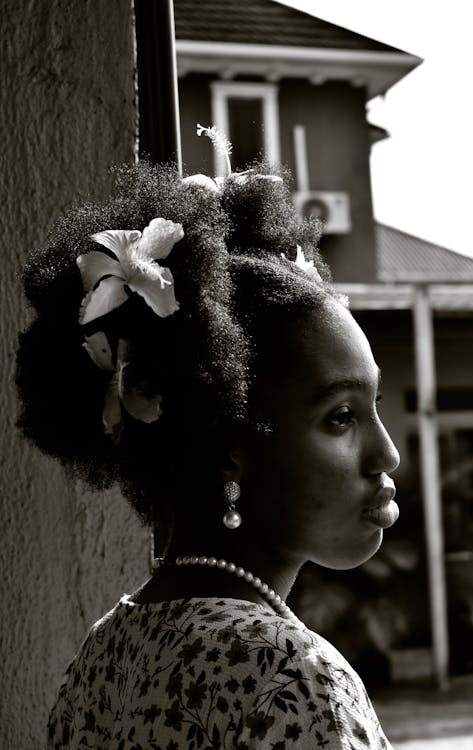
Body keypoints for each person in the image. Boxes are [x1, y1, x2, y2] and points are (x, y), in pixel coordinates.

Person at [16, 144, 400, 748]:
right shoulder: (293, 678)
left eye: (373, 407)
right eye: (341, 416)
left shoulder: (105, 656)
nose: (386, 455)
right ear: (228, 443)